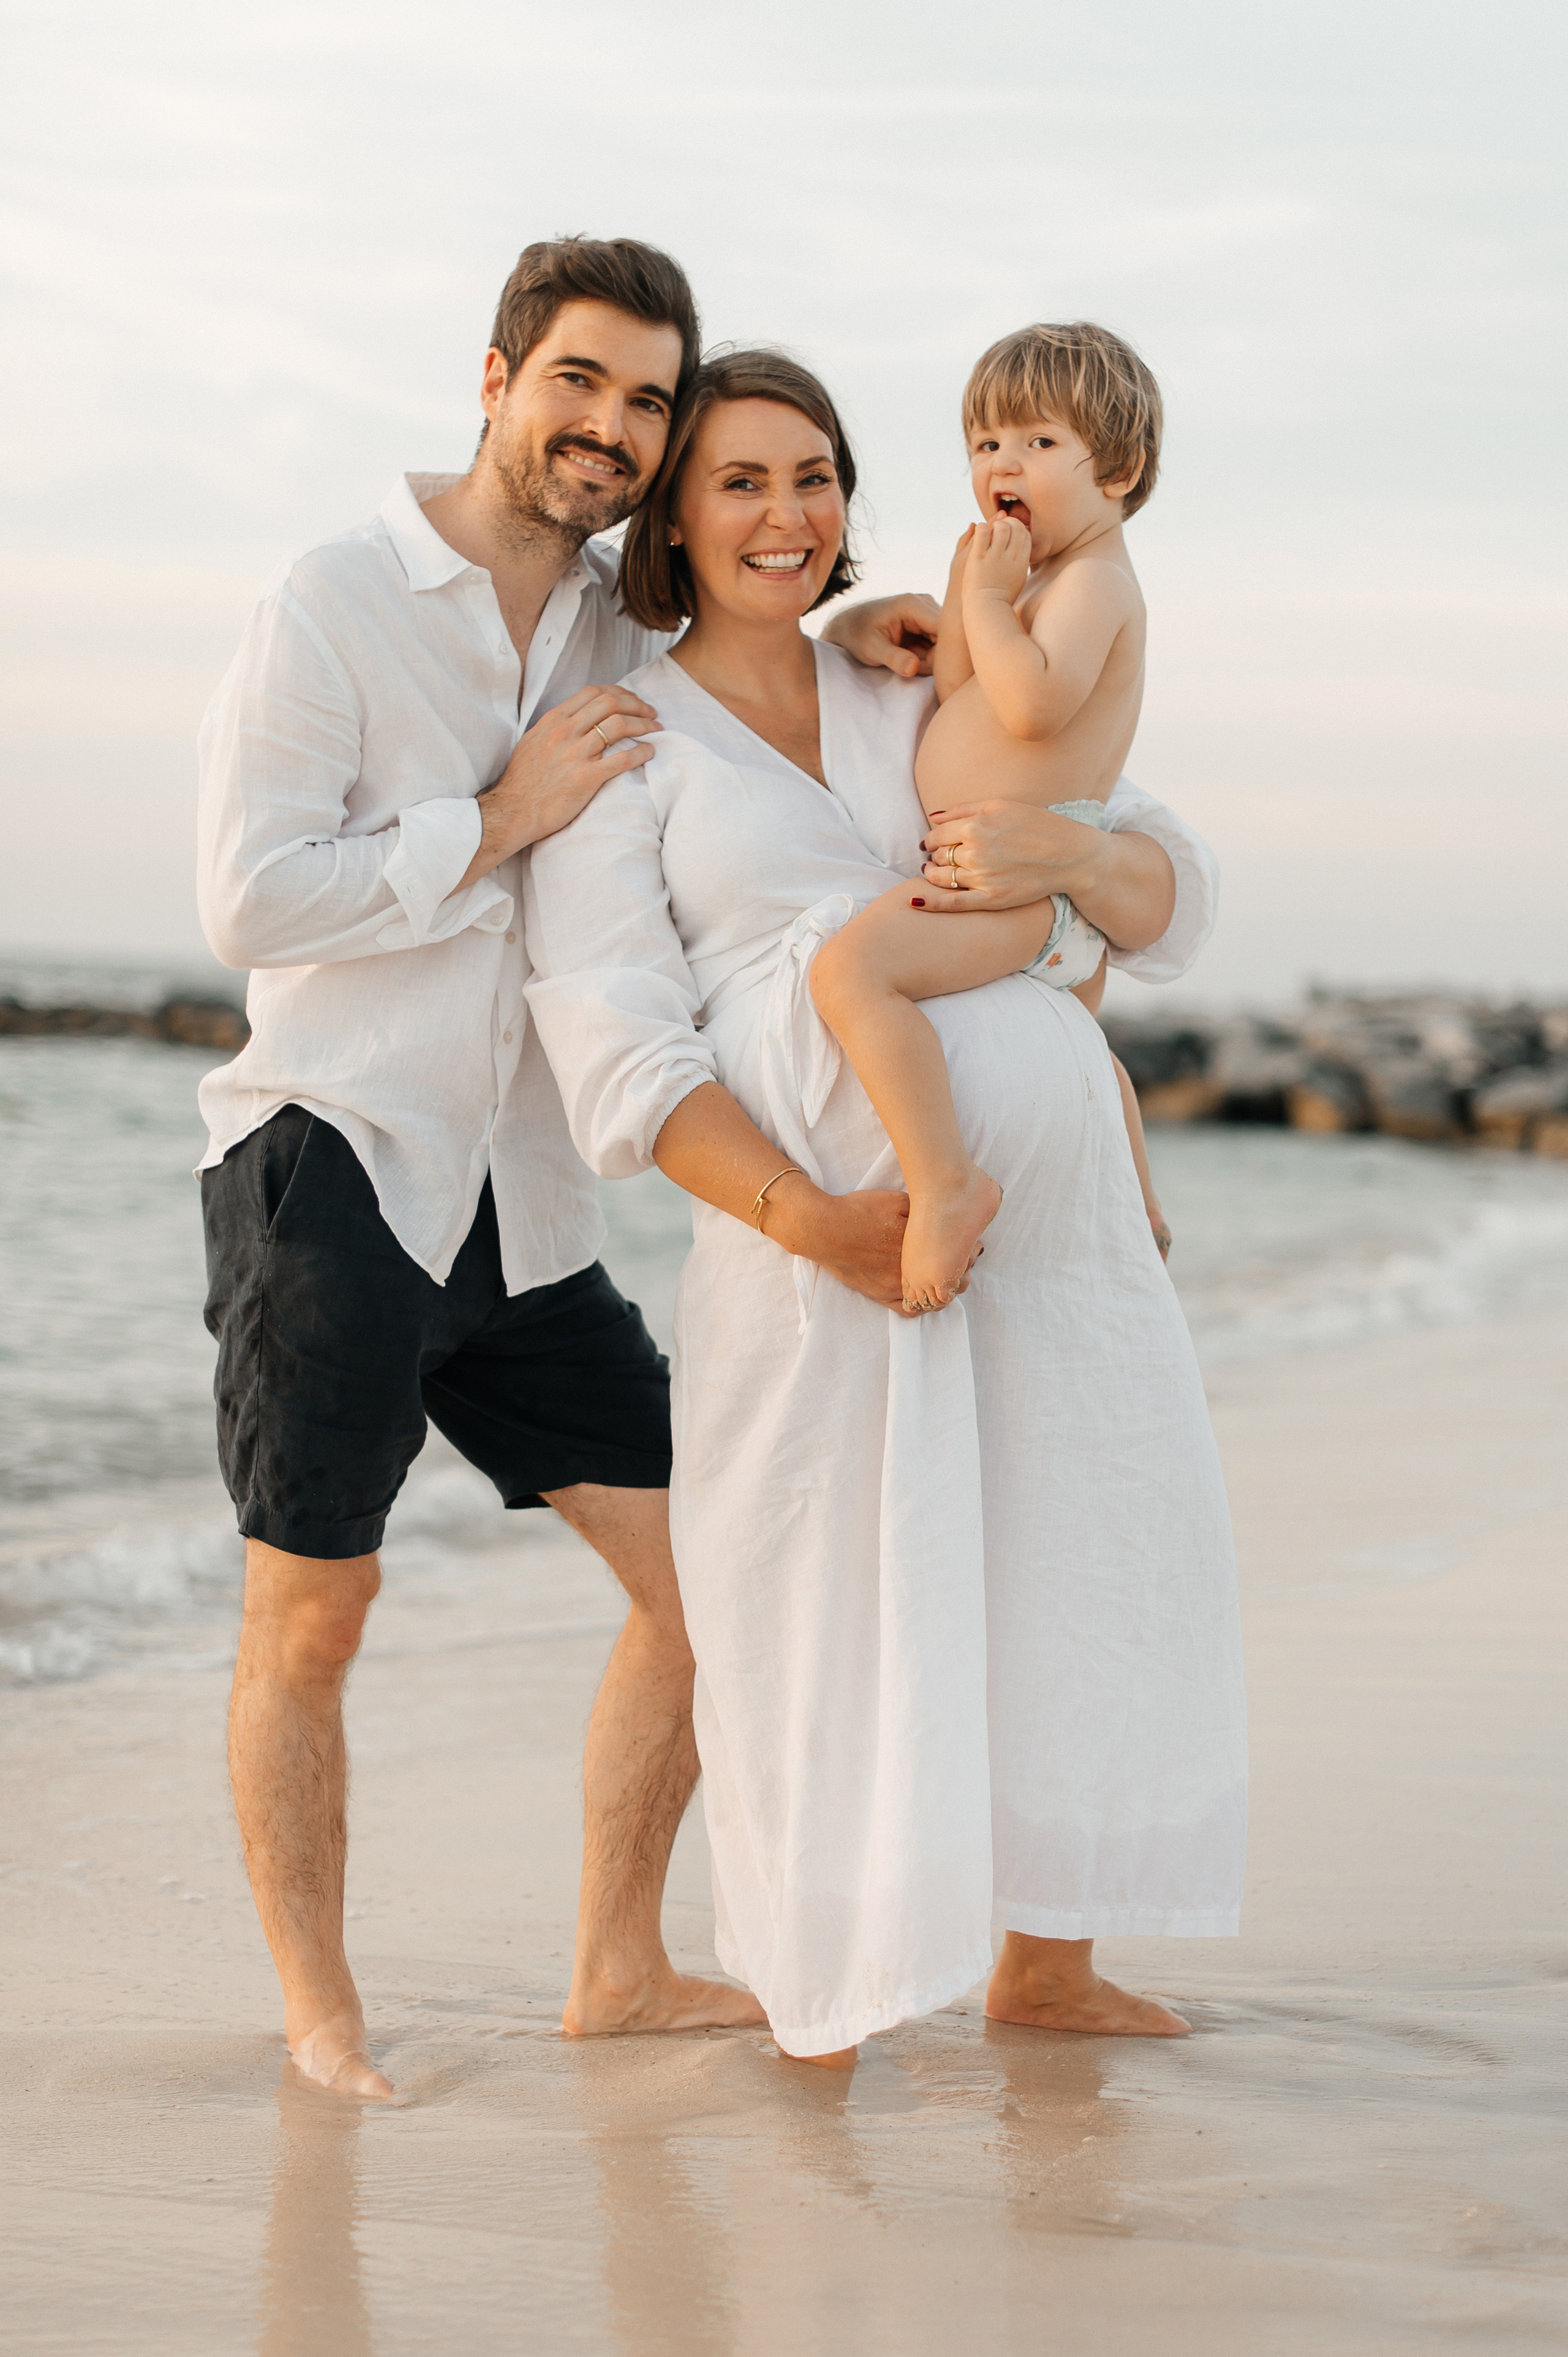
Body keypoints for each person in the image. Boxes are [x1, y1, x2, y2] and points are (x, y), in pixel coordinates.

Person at [194, 237, 948, 2099]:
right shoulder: (334, 598)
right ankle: (321, 2012)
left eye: (644, 402)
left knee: (708, 1581)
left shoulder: (621, 630)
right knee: (315, 1610)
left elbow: (741, 649)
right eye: (579, 383)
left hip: (525, 1203)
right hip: (337, 1164)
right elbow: (251, 899)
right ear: (498, 378)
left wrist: (864, 629)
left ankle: (617, 1966)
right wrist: (497, 816)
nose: (611, 427)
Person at [523, 350, 1247, 2068]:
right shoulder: (627, 740)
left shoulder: (908, 668)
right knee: (807, 1602)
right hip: (831, 1240)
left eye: (814, 476)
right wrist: (807, 1218)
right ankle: (822, 1987)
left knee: (1067, 1557)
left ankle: (1047, 1961)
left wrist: (1071, 870)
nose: (785, 515)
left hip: (1046, 1241)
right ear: (672, 516)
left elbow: (1167, 888)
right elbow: (621, 1053)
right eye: (740, 481)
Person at [808, 321, 1170, 1310]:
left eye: (1040, 443)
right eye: (986, 444)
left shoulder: (1095, 582)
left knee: (852, 974)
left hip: (1026, 884)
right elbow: (962, 687)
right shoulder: (1034, 579)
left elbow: (1033, 704)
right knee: (1077, 1049)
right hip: (1014, 886)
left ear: (1120, 471)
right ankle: (1138, 1208)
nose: (1004, 464)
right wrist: (973, 594)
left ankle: (946, 1186)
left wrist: (998, 602)